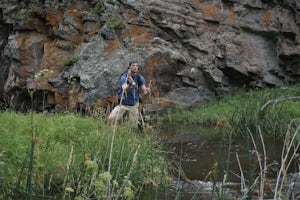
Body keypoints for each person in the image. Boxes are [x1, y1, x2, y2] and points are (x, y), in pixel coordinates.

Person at [107, 61, 151, 127]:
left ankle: (131, 135)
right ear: (129, 67)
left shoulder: (139, 78)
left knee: (133, 126)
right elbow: (124, 89)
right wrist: (130, 85)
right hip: (123, 104)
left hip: (134, 105)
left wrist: (146, 90)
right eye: (133, 65)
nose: (135, 67)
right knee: (111, 119)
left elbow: (144, 89)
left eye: (136, 65)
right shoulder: (124, 77)